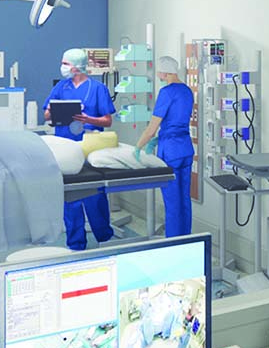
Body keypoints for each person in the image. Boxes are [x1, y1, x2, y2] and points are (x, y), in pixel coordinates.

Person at [43, 48, 116, 250]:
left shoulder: (97, 88)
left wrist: (88, 119)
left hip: (89, 147)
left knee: (94, 195)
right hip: (64, 147)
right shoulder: (61, 87)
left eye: (65, 64)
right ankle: (76, 244)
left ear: (77, 66)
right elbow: (47, 115)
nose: (63, 67)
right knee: (70, 197)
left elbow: (108, 121)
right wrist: (52, 112)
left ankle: (103, 236)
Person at [133, 56, 194, 237]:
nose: (157, 74)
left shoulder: (166, 92)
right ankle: (186, 241)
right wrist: (159, 138)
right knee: (185, 200)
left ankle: (174, 245)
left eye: (158, 71)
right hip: (186, 149)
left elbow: (151, 128)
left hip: (171, 153)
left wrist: (137, 147)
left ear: (165, 72)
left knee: (172, 203)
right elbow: (177, 122)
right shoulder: (187, 91)